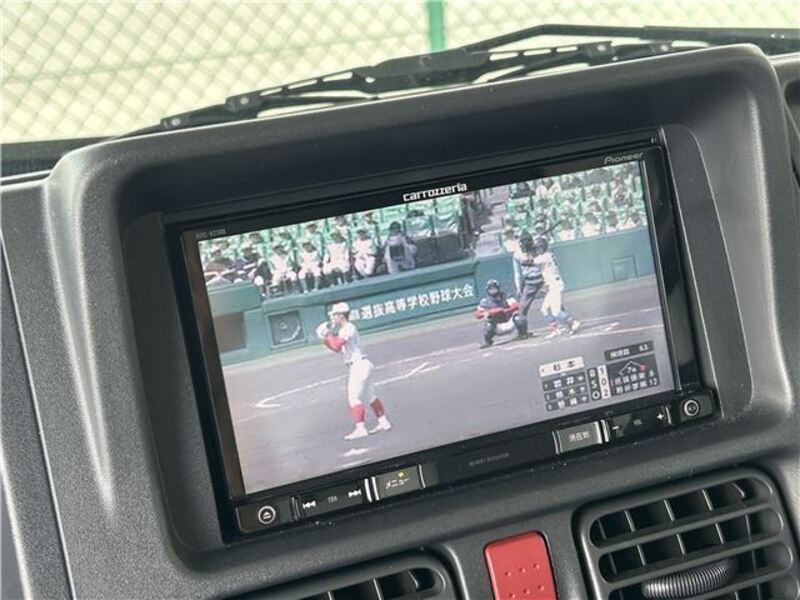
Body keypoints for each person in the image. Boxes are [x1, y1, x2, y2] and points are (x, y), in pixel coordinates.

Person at [316, 302, 392, 440]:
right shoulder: (344, 329)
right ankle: (383, 422)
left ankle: (360, 428)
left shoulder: (348, 328)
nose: (333, 318)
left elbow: (337, 345)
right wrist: (325, 339)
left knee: (353, 398)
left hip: (358, 365)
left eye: (335, 315)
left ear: (341, 315)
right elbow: (336, 348)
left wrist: (327, 334)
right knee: (370, 396)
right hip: (361, 365)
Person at [532, 237, 580, 339]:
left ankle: (573, 323)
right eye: (536, 248)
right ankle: (555, 330)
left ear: (543, 247)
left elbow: (530, 262)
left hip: (555, 285)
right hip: (552, 285)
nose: (537, 250)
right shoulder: (547, 255)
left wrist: (527, 251)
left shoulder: (545, 257)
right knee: (544, 309)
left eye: (538, 248)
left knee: (556, 312)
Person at [475, 279, 526, 349]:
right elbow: (477, 314)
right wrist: (488, 312)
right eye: (491, 288)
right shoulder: (485, 301)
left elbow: (516, 305)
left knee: (519, 317)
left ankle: (523, 334)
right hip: (497, 327)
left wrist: (504, 310)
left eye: (494, 287)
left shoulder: (506, 296)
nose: (493, 290)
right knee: (488, 324)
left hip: (509, 322)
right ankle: (488, 341)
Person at [512, 230, 545, 334]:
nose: (525, 244)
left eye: (527, 241)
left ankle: (569, 322)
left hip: (543, 279)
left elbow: (545, 245)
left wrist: (539, 241)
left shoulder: (538, 248)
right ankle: (523, 333)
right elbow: (517, 273)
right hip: (529, 282)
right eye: (523, 241)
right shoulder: (517, 254)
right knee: (521, 309)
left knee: (554, 301)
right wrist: (518, 287)